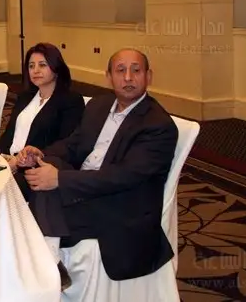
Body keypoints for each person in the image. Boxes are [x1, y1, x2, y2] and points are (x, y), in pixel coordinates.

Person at [17, 48, 178, 283]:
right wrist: (41, 154)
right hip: (84, 187)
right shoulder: (99, 105)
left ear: (148, 76)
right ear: (109, 76)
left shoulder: (157, 125)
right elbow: (73, 145)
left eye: (136, 71)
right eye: (120, 70)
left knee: (31, 207)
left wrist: (60, 179)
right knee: (46, 168)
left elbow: (123, 176)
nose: (128, 78)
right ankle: (51, 261)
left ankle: (47, 263)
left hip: (120, 204)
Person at [0, 43, 84, 167]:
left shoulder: (71, 100)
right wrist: (0, 157)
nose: (35, 70)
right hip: (7, 162)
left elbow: (66, 144)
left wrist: (19, 161)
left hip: (37, 167)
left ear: (56, 68)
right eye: (31, 66)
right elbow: (9, 133)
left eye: (42, 65)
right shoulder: (25, 97)